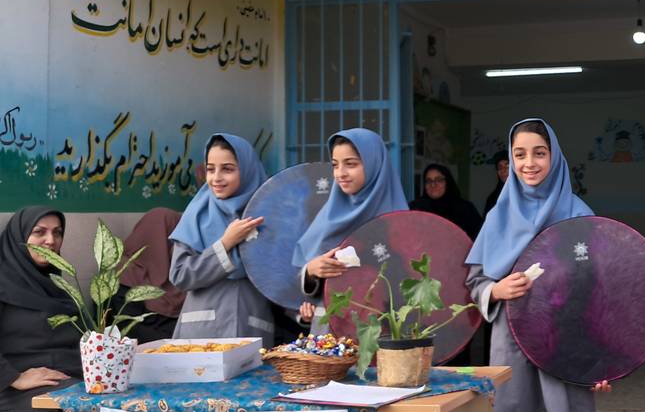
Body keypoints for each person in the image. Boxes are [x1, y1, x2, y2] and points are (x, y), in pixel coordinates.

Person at [465, 118, 609, 412]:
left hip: (568, 342)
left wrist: (603, 356)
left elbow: (606, 284)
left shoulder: (577, 213)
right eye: (521, 154)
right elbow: (474, 283)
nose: (530, 163)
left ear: (555, 157)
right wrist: (497, 288)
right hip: (515, 343)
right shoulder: (497, 216)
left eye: (539, 152)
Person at [0, 207, 82, 412]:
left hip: (63, 379)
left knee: (131, 401)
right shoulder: (3, 282)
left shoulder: (55, 284)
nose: (51, 240)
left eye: (57, 233)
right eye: (39, 232)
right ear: (19, 237)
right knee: (99, 409)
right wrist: (14, 377)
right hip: (15, 388)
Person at [293, 127, 409, 319]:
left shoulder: (400, 221)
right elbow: (300, 281)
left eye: (351, 164)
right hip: (331, 332)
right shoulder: (327, 218)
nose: (340, 173)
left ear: (374, 164)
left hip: (384, 330)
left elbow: (410, 280)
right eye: (335, 165)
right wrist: (311, 270)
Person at [169, 134, 274, 341]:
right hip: (200, 334)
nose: (216, 177)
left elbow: (281, 277)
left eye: (227, 169)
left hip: (251, 327)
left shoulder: (268, 213)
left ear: (247, 171)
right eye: (210, 169)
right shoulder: (197, 214)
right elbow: (180, 275)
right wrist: (225, 243)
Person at [119, 208, 185, 343]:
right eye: (176, 241)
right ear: (158, 240)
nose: (180, 249)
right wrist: (173, 343)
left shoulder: (178, 277)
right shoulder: (121, 277)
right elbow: (127, 329)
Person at [411, 163, 483, 240]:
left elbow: (479, 239)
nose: (433, 185)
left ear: (447, 183)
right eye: (428, 181)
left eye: (439, 180)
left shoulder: (465, 209)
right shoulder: (417, 208)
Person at [483, 152, 509, 216]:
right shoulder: (492, 199)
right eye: (499, 167)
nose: (503, 170)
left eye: (507, 166)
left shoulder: (526, 194)